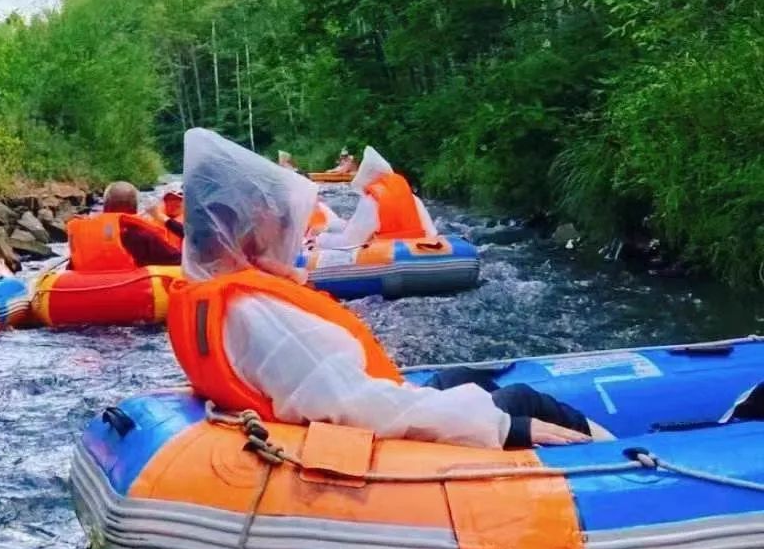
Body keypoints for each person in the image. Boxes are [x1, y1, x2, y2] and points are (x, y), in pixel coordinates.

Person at [168, 130, 610, 449]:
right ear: (235, 220)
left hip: (345, 406)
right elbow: (355, 404)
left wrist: (290, 280)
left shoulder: (214, 291)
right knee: (521, 401)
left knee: (461, 378)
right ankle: (625, 455)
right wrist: (502, 428)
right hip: (367, 434)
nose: (279, 217)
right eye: (265, 209)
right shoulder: (257, 311)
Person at [316, 145, 437, 249]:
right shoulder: (412, 198)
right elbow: (432, 234)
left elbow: (349, 242)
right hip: (420, 251)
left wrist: (320, 240)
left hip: (387, 257)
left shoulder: (371, 201)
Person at [67, 181, 182, 272]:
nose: (173, 203)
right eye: (170, 199)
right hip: (132, 295)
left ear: (105, 206)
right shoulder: (143, 235)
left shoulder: (86, 234)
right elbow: (181, 261)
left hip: (87, 294)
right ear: (135, 207)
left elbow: (71, 268)